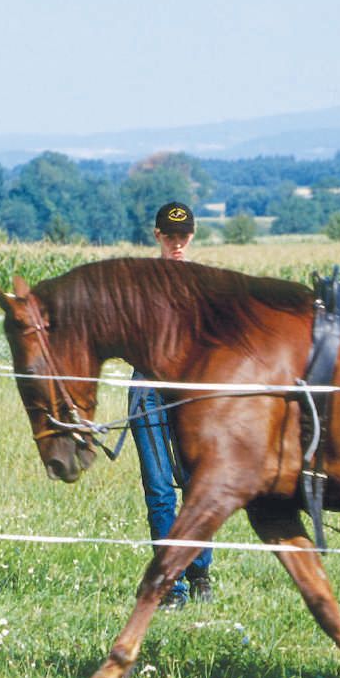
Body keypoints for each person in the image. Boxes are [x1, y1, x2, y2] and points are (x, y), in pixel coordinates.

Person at [129, 201, 212, 610]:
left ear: (191, 237)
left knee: (197, 485)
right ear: (158, 236)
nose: (177, 244)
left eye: (184, 237)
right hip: (149, 391)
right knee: (160, 490)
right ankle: (171, 587)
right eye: (170, 236)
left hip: (193, 392)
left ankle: (201, 570)